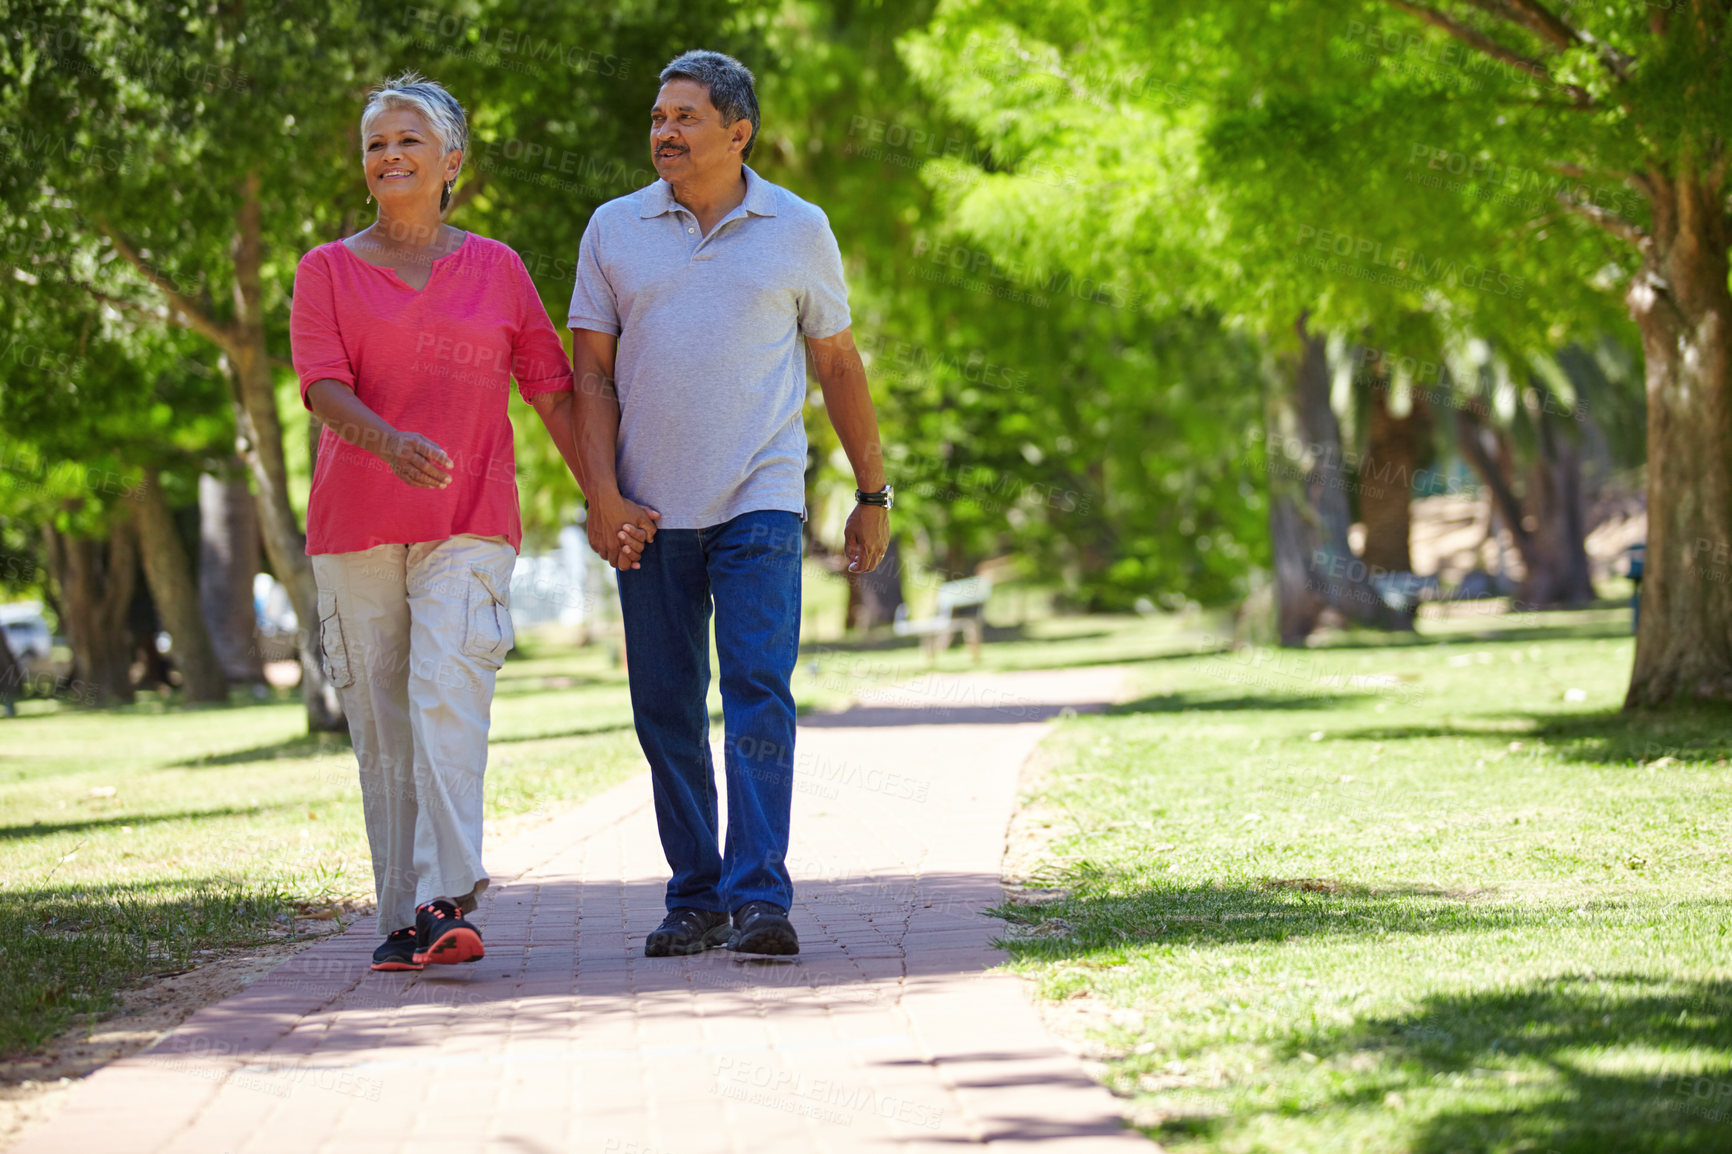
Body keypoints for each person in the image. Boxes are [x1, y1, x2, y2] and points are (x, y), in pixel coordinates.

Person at [569, 50, 891, 957]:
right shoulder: (614, 227)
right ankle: (695, 894)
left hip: (762, 495)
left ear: (738, 131)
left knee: (757, 689)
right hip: (649, 508)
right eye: (658, 117)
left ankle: (759, 895)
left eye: (684, 118)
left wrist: (872, 492)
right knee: (666, 703)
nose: (663, 132)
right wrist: (602, 494)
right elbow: (589, 374)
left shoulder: (798, 227)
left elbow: (837, 365)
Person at [291, 73, 586, 972]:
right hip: (356, 527)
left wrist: (603, 501)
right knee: (381, 725)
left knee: (445, 694)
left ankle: (442, 898)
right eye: (376, 143)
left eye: (409, 139)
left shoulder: (496, 268)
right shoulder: (326, 270)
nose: (388, 155)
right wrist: (386, 442)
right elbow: (322, 388)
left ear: (452, 159)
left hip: (469, 518)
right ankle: (398, 916)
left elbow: (551, 388)